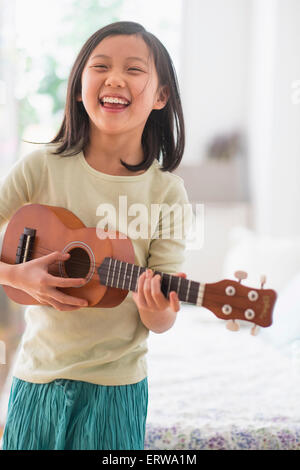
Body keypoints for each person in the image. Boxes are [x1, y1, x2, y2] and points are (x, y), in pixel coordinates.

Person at [0, 21, 192, 450]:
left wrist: (156, 308)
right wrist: (16, 277)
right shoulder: (41, 168)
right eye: (100, 65)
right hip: (37, 378)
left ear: (161, 96)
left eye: (134, 69)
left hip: (116, 387)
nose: (115, 78)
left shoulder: (166, 193)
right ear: (79, 84)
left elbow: (161, 319)